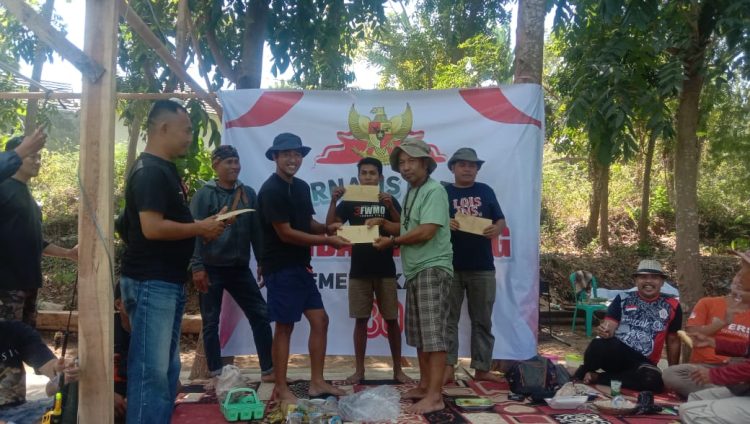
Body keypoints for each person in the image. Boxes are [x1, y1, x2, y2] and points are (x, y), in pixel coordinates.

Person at [119, 99, 226, 423]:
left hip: (166, 281)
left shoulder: (164, 169)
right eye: (187, 130)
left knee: (166, 369)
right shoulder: (150, 171)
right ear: (163, 128)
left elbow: (132, 226)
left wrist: (204, 227)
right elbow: (151, 228)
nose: (191, 137)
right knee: (150, 372)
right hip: (151, 281)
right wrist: (199, 227)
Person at [257, 132, 350, 403]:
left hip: (301, 266)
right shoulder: (270, 190)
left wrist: (327, 228)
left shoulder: (301, 187)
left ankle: (317, 382)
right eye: (286, 154)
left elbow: (306, 223)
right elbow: (286, 233)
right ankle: (281, 388)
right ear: (275, 157)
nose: (293, 159)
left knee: (321, 320)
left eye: (297, 154)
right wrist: (327, 240)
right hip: (280, 267)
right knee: (284, 327)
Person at [373, 138, 453, 414]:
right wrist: (385, 224)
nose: (405, 167)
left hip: (433, 268)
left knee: (434, 336)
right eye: (402, 162)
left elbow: (427, 231)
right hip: (417, 270)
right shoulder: (412, 192)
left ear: (426, 164)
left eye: (411, 161)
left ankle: (435, 396)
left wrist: (393, 242)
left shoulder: (434, 191)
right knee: (420, 335)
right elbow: (407, 227)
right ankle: (424, 385)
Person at [190, 145, 274, 382]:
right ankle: (216, 374)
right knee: (210, 322)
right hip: (210, 268)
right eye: (228, 162)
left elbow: (256, 230)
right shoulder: (203, 195)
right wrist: (197, 266)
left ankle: (268, 370)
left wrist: (262, 260)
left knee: (260, 314)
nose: (234, 166)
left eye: (236, 161)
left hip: (239, 268)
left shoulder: (248, 193)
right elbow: (194, 233)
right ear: (215, 165)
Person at [325, 157, 413, 385]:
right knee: (361, 321)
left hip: (385, 269)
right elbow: (331, 227)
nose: (368, 177)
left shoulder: (388, 200)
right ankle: (359, 371)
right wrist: (334, 201)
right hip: (359, 270)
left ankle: (398, 370)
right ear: (358, 177)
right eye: (364, 173)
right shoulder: (350, 200)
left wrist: (390, 207)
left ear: (380, 177)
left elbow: (403, 229)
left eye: (372, 173)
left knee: (391, 320)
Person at [0, 135, 78, 327]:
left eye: (39, 157)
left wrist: (69, 253)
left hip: (29, 283)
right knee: (8, 341)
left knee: (25, 338)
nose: (38, 161)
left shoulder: (29, 199)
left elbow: (35, 241)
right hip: (8, 285)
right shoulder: (3, 189)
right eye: (32, 156)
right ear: (16, 157)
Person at [442, 147, 505, 384]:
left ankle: (482, 368)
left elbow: (500, 219)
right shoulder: (443, 192)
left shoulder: (485, 190)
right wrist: (445, 221)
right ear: (453, 168)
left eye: (472, 165)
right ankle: (447, 368)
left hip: (482, 267)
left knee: (483, 320)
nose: (467, 169)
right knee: (448, 320)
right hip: (450, 266)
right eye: (462, 165)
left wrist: (497, 228)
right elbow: (429, 220)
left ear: (477, 170)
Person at [572, 259, 682, 392]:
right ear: (636, 280)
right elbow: (609, 326)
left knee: (653, 380)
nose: (648, 281)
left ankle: (598, 378)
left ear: (662, 282)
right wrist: (605, 331)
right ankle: (586, 370)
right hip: (618, 354)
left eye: (654, 277)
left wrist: (673, 372)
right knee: (598, 344)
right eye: (643, 277)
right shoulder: (623, 298)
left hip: (644, 363)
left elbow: (673, 340)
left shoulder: (672, 305)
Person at [677, 249, 750, 423]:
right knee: (695, 398)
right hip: (736, 378)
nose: (740, 274)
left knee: (689, 412)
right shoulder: (710, 302)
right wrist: (713, 342)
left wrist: (716, 375)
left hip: (738, 376)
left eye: (745, 268)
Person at [662, 289, 750, 398]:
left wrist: (717, 375)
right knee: (670, 374)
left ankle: (719, 395)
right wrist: (718, 327)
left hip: (740, 370)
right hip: (706, 366)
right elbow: (692, 333)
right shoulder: (708, 303)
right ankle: (727, 394)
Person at [0, 320, 78, 424]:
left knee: (68, 407)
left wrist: (61, 370)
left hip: (19, 411)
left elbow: (47, 364)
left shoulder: (13, 330)